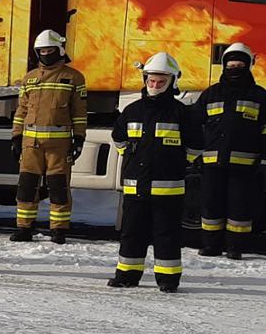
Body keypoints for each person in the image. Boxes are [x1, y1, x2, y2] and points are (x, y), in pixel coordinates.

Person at [110, 52, 202, 292]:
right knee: (131, 233)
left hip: (168, 188)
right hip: (135, 186)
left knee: (167, 234)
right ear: (145, 79)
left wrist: (177, 163)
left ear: (172, 82)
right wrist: (131, 157)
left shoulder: (182, 113)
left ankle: (168, 279)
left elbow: (196, 145)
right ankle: (127, 275)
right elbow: (119, 139)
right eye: (151, 80)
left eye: (161, 81)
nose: (155, 85)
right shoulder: (132, 110)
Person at [11, 29, 87, 243]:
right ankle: (24, 228)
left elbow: (79, 112)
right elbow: (21, 110)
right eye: (41, 50)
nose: (45, 53)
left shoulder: (73, 77)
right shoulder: (29, 78)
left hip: (59, 145)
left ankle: (59, 230)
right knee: (26, 186)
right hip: (30, 144)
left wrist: (79, 138)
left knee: (59, 187)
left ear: (60, 50)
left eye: (49, 50)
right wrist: (17, 137)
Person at [194, 43, 264, 259]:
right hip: (212, 163)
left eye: (239, 64)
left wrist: (262, 157)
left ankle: (235, 247)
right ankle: (211, 246)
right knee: (210, 205)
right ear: (224, 66)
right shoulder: (211, 94)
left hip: (245, 166)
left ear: (248, 66)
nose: (235, 68)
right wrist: (194, 155)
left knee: (240, 208)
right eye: (231, 64)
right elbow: (195, 124)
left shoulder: (260, 96)